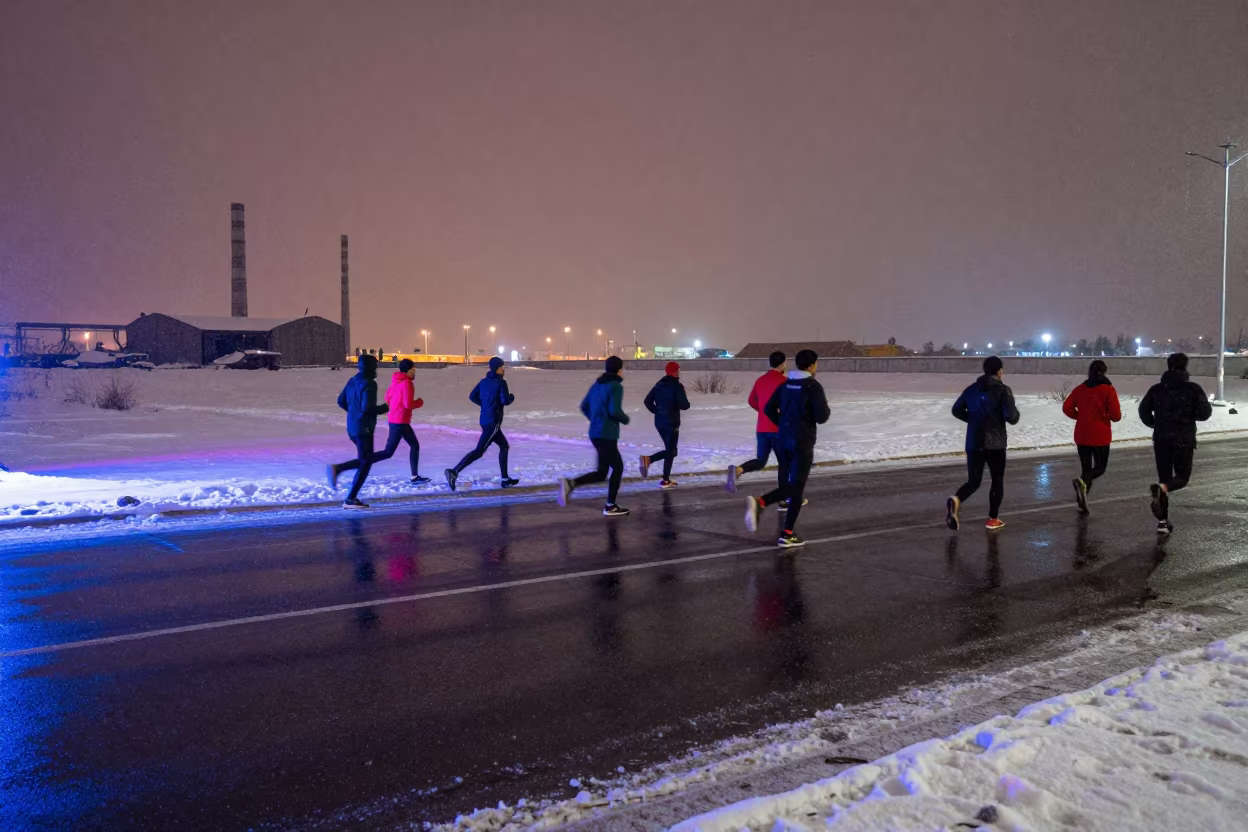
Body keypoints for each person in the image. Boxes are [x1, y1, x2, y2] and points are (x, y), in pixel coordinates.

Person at [743, 349, 829, 548]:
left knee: (794, 487)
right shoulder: (813, 386)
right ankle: (765, 507)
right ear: (811, 365)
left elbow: (767, 409)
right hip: (802, 442)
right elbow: (822, 417)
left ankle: (783, 527)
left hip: (782, 439)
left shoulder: (786, 384)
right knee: (797, 487)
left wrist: (781, 424)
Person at [1139, 352, 1212, 534]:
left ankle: (1162, 522)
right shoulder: (1193, 389)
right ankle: (1163, 489)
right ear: (1185, 366)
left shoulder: (1157, 389)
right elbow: (1205, 413)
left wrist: (1155, 423)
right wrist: (1187, 415)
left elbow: (1143, 410)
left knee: (1164, 477)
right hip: (1183, 439)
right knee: (1181, 477)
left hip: (1162, 438)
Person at [946, 356, 1019, 531]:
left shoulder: (971, 389)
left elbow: (956, 410)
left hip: (974, 442)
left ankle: (957, 500)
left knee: (974, 481)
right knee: (997, 480)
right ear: (999, 371)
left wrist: (974, 420)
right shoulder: (1003, 390)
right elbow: (1012, 417)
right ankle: (993, 519)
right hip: (996, 444)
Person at [558, 356, 631, 516]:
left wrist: (596, 419)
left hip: (595, 432)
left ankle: (571, 484)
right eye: (622, 368)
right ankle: (610, 505)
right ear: (619, 369)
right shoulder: (616, 386)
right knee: (617, 468)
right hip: (607, 434)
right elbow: (614, 411)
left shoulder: (597, 384)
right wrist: (625, 419)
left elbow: (584, 406)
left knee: (602, 472)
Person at [445, 356, 518, 491]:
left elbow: (472, 396)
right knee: (479, 451)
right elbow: (505, 401)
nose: (504, 369)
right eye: (502, 367)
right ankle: (454, 472)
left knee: (504, 446)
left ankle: (505, 479)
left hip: (484, 420)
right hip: (493, 422)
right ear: (497, 369)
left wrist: (485, 405)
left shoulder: (483, 382)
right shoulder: (501, 382)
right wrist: (511, 397)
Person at [328, 354, 390, 508]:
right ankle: (349, 497)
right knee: (366, 462)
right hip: (364, 428)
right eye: (375, 367)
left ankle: (340, 471)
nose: (376, 370)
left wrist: (353, 413)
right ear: (370, 368)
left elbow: (341, 401)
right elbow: (368, 408)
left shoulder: (352, 380)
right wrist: (387, 407)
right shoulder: (369, 384)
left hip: (353, 427)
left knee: (365, 460)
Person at [1063, 359, 1122, 514]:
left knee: (1086, 469)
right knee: (1100, 468)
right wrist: (1106, 415)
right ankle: (1081, 485)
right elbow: (1116, 416)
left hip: (1082, 434)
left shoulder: (1080, 389)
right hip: (1100, 435)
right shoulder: (1108, 390)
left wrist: (1080, 416)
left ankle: (1082, 501)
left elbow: (1067, 407)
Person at [727, 351, 787, 493]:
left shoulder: (760, 380)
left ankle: (738, 470)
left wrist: (762, 412)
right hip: (778, 429)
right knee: (785, 464)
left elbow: (751, 400)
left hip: (762, 429)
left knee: (761, 461)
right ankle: (784, 499)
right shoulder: (784, 382)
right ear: (783, 363)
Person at [373, 359, 430, 485]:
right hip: (401, 421)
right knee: (408, 447)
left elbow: (387, 397)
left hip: (394, 420)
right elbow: (408, 404)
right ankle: (414, 477)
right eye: (413, 370)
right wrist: (419, 402)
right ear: (408, 370)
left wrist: (395, 406)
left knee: (391, 451)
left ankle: (364, 461)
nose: (414, 372)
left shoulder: (395, 381)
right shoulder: (407, 383)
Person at [639, 361, 691, 488]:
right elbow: (685, 405)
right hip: (671, 422)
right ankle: (648, 460)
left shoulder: (659, 385)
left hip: (659, 422)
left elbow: (647, 401)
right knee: (672, 451)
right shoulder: (677, 386)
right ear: (676, 371)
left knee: (670, 450)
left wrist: (657, 411)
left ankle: (666, 480)